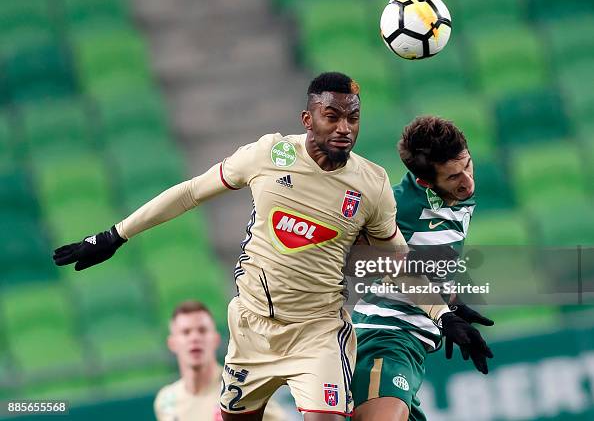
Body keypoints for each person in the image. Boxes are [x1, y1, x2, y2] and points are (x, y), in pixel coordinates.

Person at [52, 73, 485, 421]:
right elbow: (190, 192)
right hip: (252, 327)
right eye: (331, 116)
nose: (344, 128)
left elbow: (396, 261)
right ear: (307, 118)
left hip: (318, 332)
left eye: (352, 118)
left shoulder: (370, 185)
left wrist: (441, 313)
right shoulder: (267, 155)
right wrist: (114, 234)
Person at [350, 116, 494, 421]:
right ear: (426, 181)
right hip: (385, 336)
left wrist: (452, 303)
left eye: (468, 165)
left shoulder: (457, 198)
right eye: (454, 176)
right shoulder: (395, 206)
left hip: (413, 345)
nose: (467, 180)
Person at [154, 300, 286, 421]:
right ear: (172, 343)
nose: (194, 338)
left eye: (202, 330)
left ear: (215, 339)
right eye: (186, 332)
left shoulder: (242, 390)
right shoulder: (166, 400)